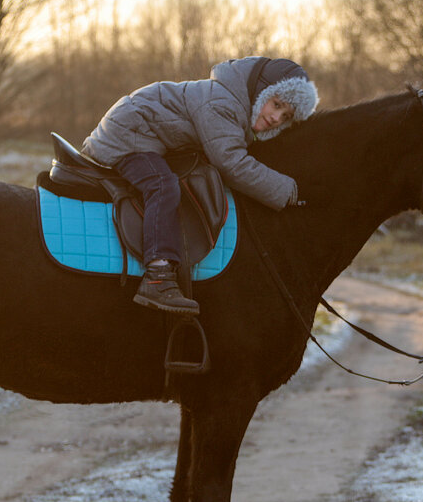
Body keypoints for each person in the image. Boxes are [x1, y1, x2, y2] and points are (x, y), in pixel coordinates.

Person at [81, 57, 318, 315]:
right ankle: (158, 276)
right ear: (259, 92)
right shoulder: (222, 103)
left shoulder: (234, 106)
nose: (276, 117)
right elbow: (232, 164)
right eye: (276, 104)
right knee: (163, 185)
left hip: (147, 134)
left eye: (286, 116)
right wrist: (289, 190)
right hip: (129, 135)